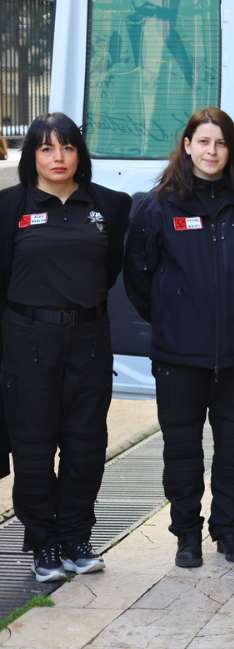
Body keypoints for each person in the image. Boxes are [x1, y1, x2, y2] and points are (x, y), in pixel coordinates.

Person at [124, 108, 234, 568]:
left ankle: (229, 532)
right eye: (203, 142)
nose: (212, 151)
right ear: (187, 146)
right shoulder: (157, 206)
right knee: (182, 452)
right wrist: (173, 317)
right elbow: (138, 279)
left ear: (232, 150)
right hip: (179, 356)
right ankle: (186, 535)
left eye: (221, 143)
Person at [0, 113, 131, 581]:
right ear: (31, 155)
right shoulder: (9, 206)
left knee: (86, 442)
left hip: (90, 338)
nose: (59, 158)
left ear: (81, 153)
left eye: (68, 147)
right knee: (33, 445)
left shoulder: (111, 206)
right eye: (47, 149)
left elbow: (110, 269)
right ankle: (43, 543)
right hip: (26, 338)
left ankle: (76, 536)